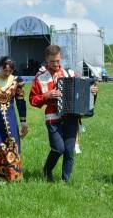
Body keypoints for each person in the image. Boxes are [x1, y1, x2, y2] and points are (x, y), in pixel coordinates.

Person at [29, 45, 98, 182]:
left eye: (58, 61)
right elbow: (32, 100)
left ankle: (65, 181)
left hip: (71, 117)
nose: (56, 64)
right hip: (52, 119)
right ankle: (47, 170)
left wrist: (92, 92)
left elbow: (83, 90)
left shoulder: (70, 74)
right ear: (46, 60)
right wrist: (47, 95)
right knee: (58, 148)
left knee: (69, 150)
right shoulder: (40, 78)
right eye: (52, 61)